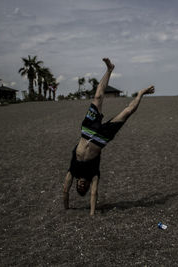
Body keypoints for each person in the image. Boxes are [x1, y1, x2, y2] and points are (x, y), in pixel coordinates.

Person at [63, 58, 155, 215]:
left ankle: (109, 69)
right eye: (82, 188)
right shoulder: (93, 176)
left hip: (87, 130)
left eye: (79, 186)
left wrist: (66, 206)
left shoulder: (73, 171)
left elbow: (65, 190)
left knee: (98, 97)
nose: (81, 185)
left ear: (76, 183)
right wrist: (92, 213)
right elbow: (94, 194)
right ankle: (141, 93)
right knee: (127, 113)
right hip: (101, 139)